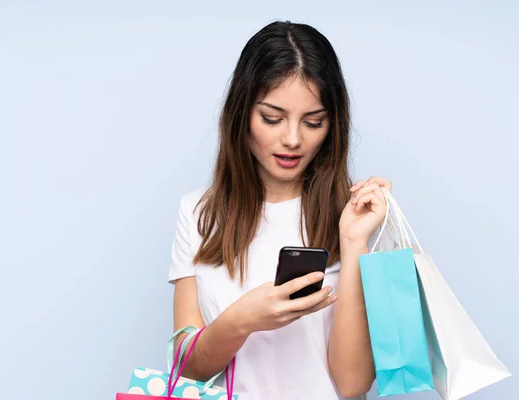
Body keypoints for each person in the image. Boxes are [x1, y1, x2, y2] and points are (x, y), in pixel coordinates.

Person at [168, 20, 392, 400]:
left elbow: (353, 385)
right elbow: (187, 368)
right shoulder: (198, 213)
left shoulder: (361, 215)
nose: (292, 139)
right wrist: (242, 320)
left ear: (332, 124)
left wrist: (353, 242)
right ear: (242, 115)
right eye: (272, 119)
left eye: (313, 122)